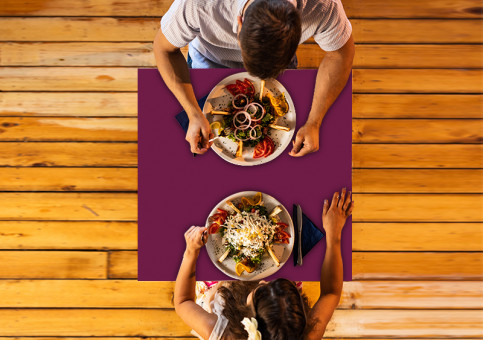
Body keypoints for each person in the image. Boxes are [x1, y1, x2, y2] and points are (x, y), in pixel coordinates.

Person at [154, 0, 355, 156]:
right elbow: (163, 49)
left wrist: (314, 122)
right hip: (209, 60)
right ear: (239, 23)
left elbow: (341, 54)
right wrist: (193, 113)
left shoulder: (323, 6)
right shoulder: (197, 5)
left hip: (281, 71)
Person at [174, 188, 353, 339]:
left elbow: (182, 302)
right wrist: (334, 235)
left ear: (249, 319)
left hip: (221, 291)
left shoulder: (224, 334)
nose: (263, 281)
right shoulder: (306, 335)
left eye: (261, 289)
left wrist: (191, 252)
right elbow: (331, 293)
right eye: (273, 283)